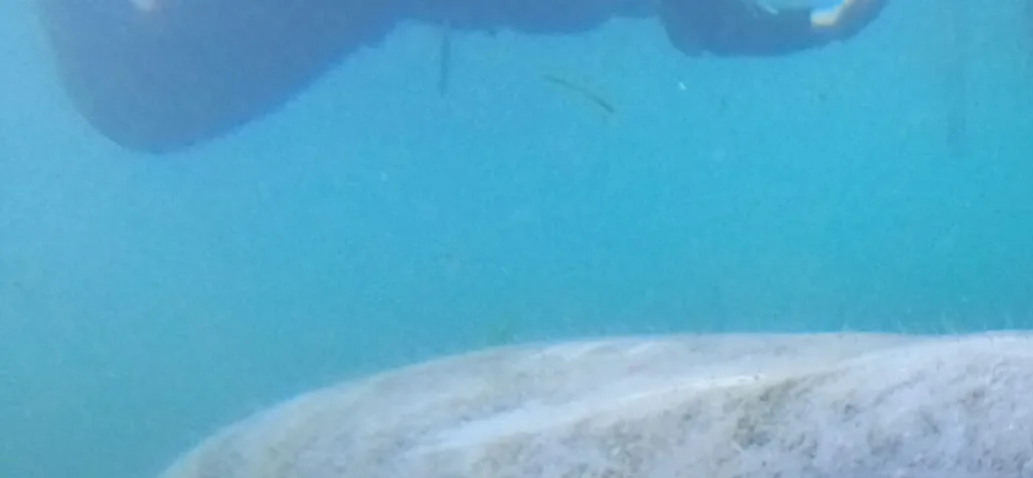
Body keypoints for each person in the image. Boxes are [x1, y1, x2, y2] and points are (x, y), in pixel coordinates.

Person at [34, 0, 887, 153]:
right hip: (155, 80)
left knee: (140, 91)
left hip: (158, 86)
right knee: (139, 89)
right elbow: (714, 26)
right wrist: (818, 30)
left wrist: (819, 28)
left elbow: (713, 24)